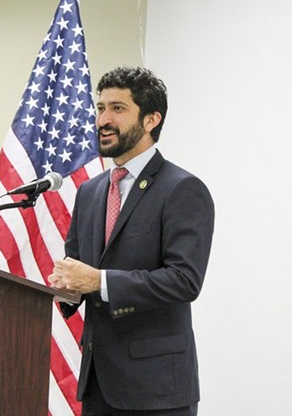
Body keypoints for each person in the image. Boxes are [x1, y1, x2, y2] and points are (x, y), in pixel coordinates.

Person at [48, 66, 215, 416]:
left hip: (156, 391)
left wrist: (99, 280)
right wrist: (65, 287)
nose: (103, 120)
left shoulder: (182, 189)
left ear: (152, 120)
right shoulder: (90, 192)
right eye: (100, 108)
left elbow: (184, 281)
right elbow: (78, 272)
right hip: (98, 385)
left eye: (118, 109)